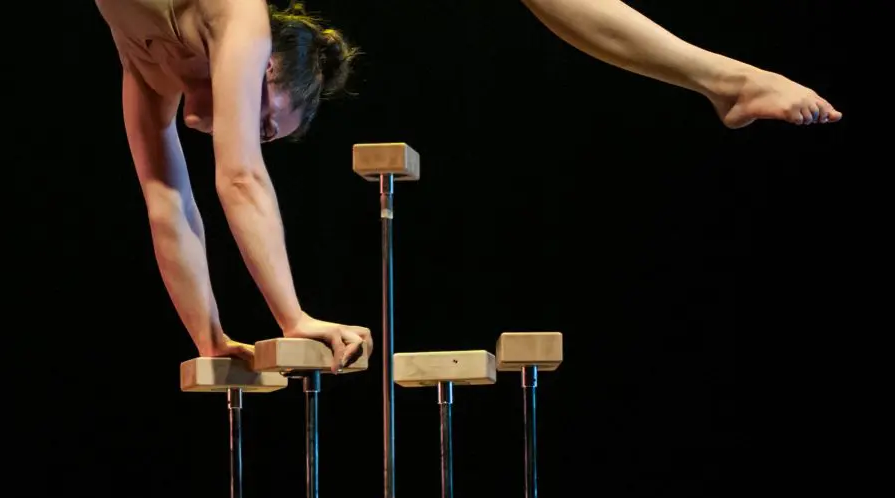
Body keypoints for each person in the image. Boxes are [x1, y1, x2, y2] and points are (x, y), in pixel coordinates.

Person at [93, 0, 840, 369]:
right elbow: (218, 185)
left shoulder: (166, 57)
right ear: (275, 69)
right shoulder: (227, 27)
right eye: (267, 123)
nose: (245, 134)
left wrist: (219, 337)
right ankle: (727, 82)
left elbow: (183, 195)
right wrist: (272, 325)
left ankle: (725, 81)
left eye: (263, 130)